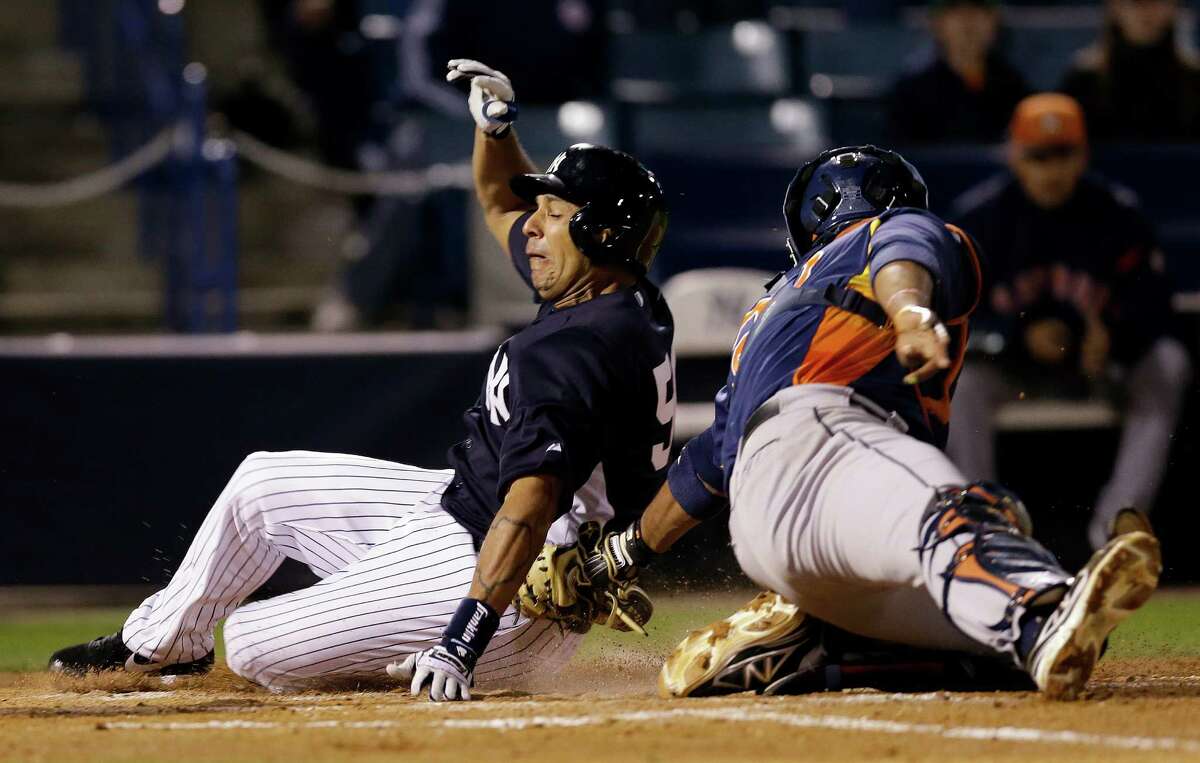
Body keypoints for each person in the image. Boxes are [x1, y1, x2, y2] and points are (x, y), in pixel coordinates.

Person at [48, 59, 676, 701]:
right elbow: (495, 199)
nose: (531, 225)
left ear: (601, 232)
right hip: (467, 511)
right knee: (262, 483)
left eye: (552, 211)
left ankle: (424, 653)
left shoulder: (574, 346)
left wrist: (463, 638)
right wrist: (495, 131)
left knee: (252, 643)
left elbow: (531, 504)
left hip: (515, 589)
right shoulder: (621, 297)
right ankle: (161, 644)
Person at [581, 145, 1161, 701]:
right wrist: (910, 312)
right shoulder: (894, 235)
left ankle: (822, 649)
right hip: (825, 450)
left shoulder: (771, 314)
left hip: (774, 531)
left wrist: (623, 554)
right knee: (974, 522)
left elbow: (707, 463)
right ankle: (1031, 602)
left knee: (1016, 637)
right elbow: (900, 249)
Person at [948, 93, 1191, 549]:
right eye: (1038, 156)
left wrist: (1115, 337)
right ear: (1015, 156)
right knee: (960, 380)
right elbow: (951, 315)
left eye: (1063, 154)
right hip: (1011, 368)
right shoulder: (981, 219)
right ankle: (980, 534)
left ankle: (1117, 535)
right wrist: (1018, 335)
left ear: (1083, 154)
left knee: (1168, 364)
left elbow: (1158, 311)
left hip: (1098, 367)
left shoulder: (1118, 215)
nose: (1052, 169)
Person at [886, 0, 1029, 145]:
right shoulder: (911, 89)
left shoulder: (1013, 84)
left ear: (994, 21)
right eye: (955, 11)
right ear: (937, 24)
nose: (967, 23)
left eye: (977, 10)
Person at [1060, 0, 1200, 143]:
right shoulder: (1083, 81)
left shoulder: (1194, 80)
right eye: (1136, 3)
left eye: (1157, 2)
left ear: (1173, 7)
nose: (1146, 12)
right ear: (1115, 7)